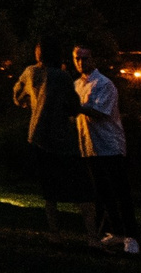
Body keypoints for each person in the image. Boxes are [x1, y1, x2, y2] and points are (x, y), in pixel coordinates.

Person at [14, 41, 96, 244]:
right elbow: (74, 107)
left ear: (38, 54)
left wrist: (31, 103)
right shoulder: (61, 76)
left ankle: (55, 234)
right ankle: (92, 237)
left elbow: (17, 95)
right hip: (61, 139)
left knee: (49, 191)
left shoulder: (30, 72)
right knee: (83, 189)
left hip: (38, 138)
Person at [74, 44, 139, 254]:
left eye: (85, 58)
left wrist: (74, 107)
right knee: (103, 192)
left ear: (93, 59)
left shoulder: (104, 84)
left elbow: (100, 112)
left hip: (109, 146)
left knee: (120, 192)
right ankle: (117, 232)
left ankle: (131, 236)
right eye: (77, 58)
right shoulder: (77, 85)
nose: (81, 62)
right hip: (90, 146)